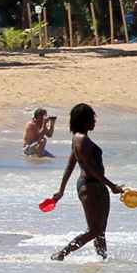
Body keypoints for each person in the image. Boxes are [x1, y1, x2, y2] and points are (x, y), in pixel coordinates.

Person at [46, 102, 125, 262]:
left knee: (99, 230)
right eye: (92, 118)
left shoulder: (78, 139)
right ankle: (61, 254)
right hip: (90, 186)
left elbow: (70, 164)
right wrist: (112, 186)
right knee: (95, 230)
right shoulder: (81, 140)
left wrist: (61, 190)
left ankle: (102, 260)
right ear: (83, 120)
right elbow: (90, 169)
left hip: (95, 185)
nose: (94, 121)